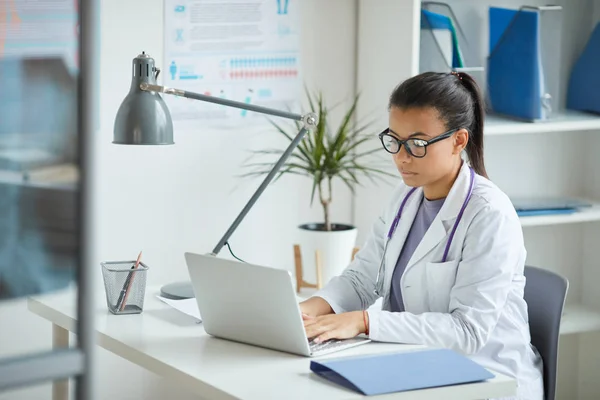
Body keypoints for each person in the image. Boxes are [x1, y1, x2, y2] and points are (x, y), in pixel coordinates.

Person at [300, 71, 544, 400]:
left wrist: (365, 322)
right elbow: (361, 279)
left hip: (484, 376)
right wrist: (309, 311)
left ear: (459, 140)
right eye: (394, 140)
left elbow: (467, 332)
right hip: (413, 366)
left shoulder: (490, 214)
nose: (401, 156)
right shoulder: (405, 197)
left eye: (416, 144)